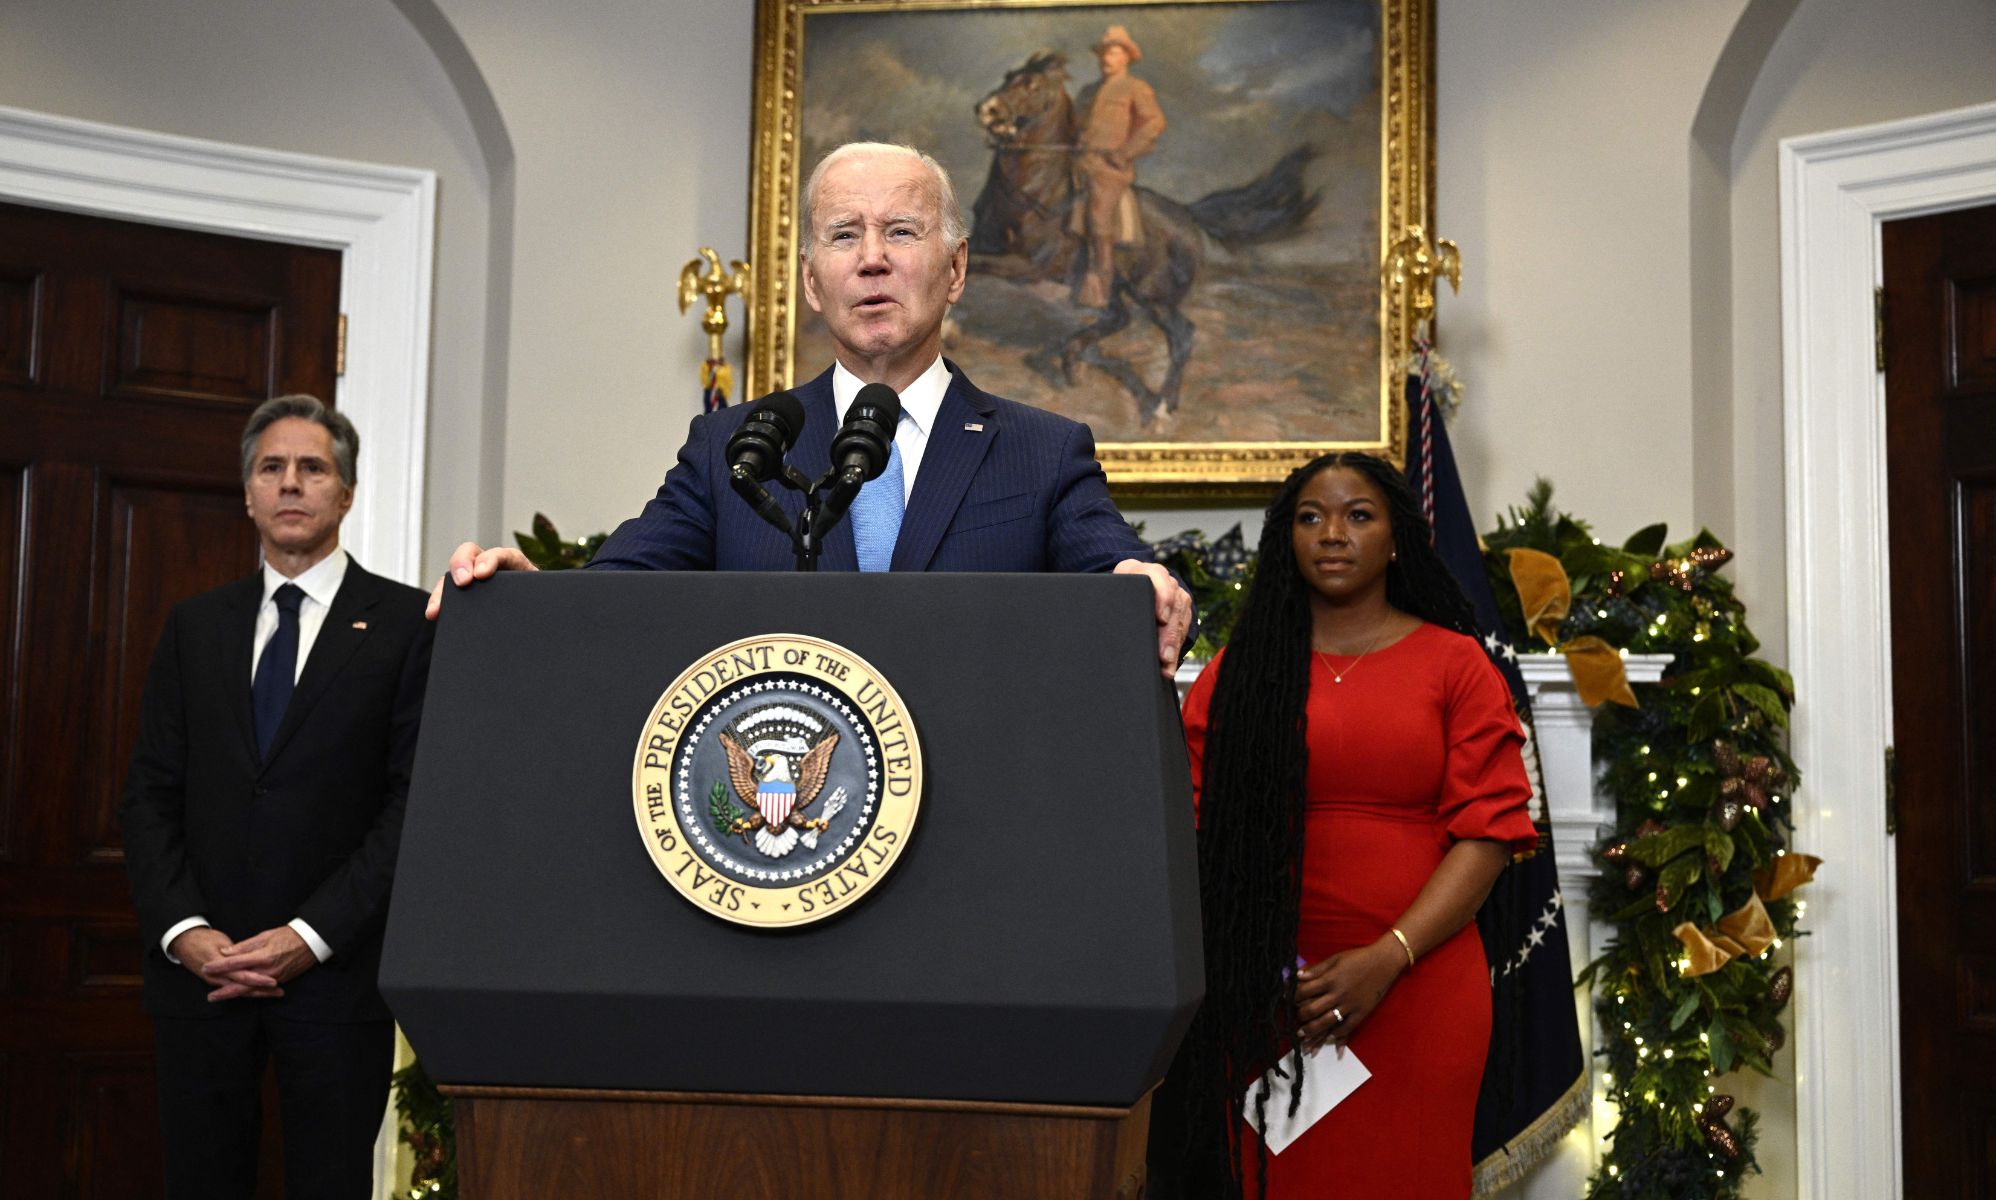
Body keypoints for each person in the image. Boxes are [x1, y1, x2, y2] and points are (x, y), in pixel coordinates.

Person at [433, 141, 1191, 676]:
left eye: (901, 232)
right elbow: (614, 594)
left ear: (956, 269)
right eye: (843, 235)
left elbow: (1118, 572)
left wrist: (1141, 581)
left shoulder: (1041, 450)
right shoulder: (734, 446)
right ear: (810, 281)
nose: (872, 258)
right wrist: (526, 594)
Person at [1165, 452, 1537, 1199]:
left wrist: (1386, 958)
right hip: (1274, 996)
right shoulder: (1241, 671)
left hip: (1418, 984)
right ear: (1288, 539)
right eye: (1311, 518)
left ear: (1396, 540)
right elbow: (1191, 831)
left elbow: (1490, 834)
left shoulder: (1456, 663)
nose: (1332, 533)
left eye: (1358, 516)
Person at [123, 395, 433, 1199]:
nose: (291, 483)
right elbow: (150, 794)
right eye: (272, 468)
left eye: (312, 468)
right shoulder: (194, 626)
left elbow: (412, 805)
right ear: (249, 492)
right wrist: (185, 932)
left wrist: (308, 935)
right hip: (203, 977)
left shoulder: (408, 624)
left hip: (335, 981)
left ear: (346, 492)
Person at [1072, 25, 1166, 308]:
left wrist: (1125, 153)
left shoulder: (1135, 88)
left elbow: (1154, 123)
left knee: (1098, 216)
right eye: (1103, 53)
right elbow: (1075, 126)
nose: (1106, 58)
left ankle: (1101, 287)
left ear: (1127, 57)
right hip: (1080, 163)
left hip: (1110, 169)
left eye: (1113, 53)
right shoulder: (1088, 92)